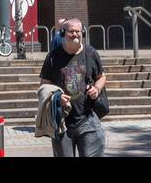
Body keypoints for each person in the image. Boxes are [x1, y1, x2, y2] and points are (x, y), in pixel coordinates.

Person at [38, 18, 107, 157]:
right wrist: (56, 97)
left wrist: (97, 89)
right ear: (63, 33)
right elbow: (44, 85)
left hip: (87, 118)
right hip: (62, 121)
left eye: (78, 31)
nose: (75, 34)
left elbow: (102, 77)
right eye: (71, 31)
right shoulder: (52, 57)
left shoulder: (91, 53)